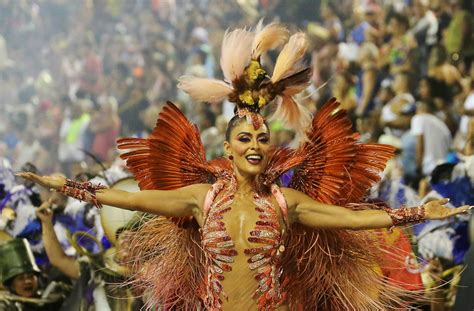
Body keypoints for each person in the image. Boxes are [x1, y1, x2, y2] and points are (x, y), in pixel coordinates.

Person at [17, 24, 472, 310]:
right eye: (244, 138)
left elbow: (352, 219)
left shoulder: (286, 203)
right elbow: (131, 197)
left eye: (262, 138)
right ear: (228, 148)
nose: (254, 144)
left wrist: (417, 214)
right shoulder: (201, 199)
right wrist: (67, 186)